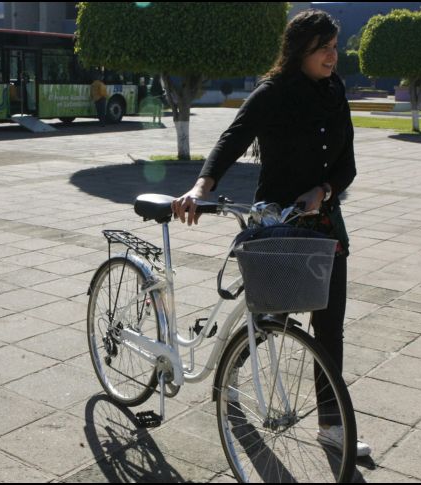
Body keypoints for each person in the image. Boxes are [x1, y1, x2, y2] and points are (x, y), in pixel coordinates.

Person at [171, 9, 371, 458]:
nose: (332, 56)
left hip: (324, 226)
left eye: (334, 47)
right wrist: (200, 186)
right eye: (323, 48)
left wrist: (324, 189)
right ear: (300, 50)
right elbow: (233, 138)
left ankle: (332, 426)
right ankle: (232, 371)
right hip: (278, 224)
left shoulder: (336, 91)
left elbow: (347, 164)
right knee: (270, 318)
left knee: (329, 326)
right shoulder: (273, 92)